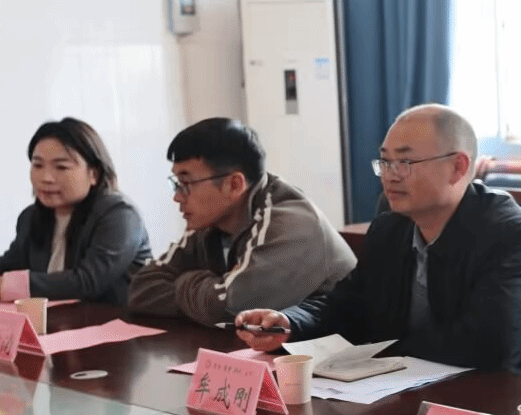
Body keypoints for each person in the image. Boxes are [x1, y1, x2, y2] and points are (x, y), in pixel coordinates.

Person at [235, 104, 521, 378]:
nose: (390, 175)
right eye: (385, 162)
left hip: (512, 392)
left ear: (457, 167)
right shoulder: (390, 228)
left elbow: (492, 345)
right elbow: (348, 305)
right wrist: (290, 321)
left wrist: (384, 348)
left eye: (405, 162)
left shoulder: (508, 234)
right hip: (411, 381)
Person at [128, 117, 356, 326]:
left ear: (234, 185)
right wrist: (214, 286)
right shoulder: (209, 223)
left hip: (334, 351)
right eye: (176, 184)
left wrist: (185, 280)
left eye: (186, 184)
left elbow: (231, 308)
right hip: (260, 350)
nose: (177, 197)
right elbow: (141, 289)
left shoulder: (290, 223)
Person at [0, 118, 151, 306]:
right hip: (59, 328)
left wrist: (2, 287)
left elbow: (87, 281)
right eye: (38, 165)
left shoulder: (120, 215)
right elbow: (12, 262)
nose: (46, 178)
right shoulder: (31, 216)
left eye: (61, 167)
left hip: (120, 331)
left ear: (94, 174)